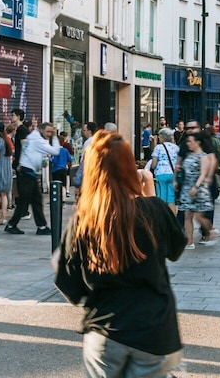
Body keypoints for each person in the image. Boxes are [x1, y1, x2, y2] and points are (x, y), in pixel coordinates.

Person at [55, 130, 190, 378]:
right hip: (155, 329)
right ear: (130, 167)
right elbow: (176, 248)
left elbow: (69, 285)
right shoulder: (154, 209)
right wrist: (149, 195)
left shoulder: (85, 220)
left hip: (106, 329)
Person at [9, 122, 64, 236]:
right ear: (41, 130)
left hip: (29, 172)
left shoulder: (33, 138)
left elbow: (26, 152)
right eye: (48, 131)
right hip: (27, 173)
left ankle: (41, 226)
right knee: (26, 201)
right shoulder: (37, 141)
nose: (50, 134)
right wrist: (54, 137)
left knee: (35, 200)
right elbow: (55, 151)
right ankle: (13, 225)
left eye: (51, 132)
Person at [178, 132, 219, 249]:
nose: (188, 144)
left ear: (197, 142)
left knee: (198, 217)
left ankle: (210, 231)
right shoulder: (188, 155)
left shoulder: (203, 156)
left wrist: (196, 187)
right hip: (187, 187)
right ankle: (189, 241)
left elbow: (203, 173)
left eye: (190, 141)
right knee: (187, 215)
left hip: (199, 189)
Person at [148, 132, 180, 205]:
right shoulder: (176, 147)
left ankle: (162, 214)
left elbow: (153, 164)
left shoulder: (158, 147)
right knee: (171, 198)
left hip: (161, 173)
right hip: (173, 173)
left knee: (161, 196)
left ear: (162, 137)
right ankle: (172, 215)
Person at [52, 131, 76, 204]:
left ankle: (57, 198)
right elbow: (70, 159)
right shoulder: (65, 150)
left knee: (56, 184)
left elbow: (54, 161)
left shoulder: (55, 151)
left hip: (56, 170)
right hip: (64, 169)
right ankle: (63, 198)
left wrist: (50, 159)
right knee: (63, 185)